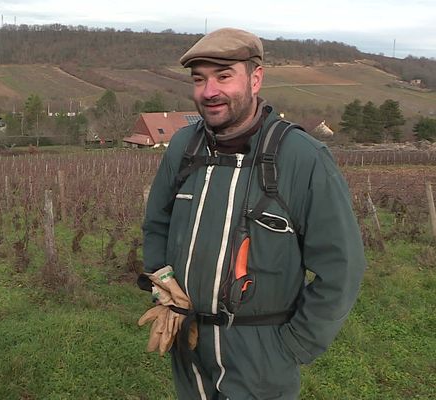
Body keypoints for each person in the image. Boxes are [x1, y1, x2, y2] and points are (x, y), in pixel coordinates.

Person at [139, 28, 366, 400]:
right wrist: (165, 289)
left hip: (261, 352)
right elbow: (157, 224)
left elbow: (342, 267)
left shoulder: (302, 158)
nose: (209, 91)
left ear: (256, 78)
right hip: (186, 338)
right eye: (200, 80)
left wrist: (294, 345)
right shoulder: (184, 145)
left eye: (223, 76)